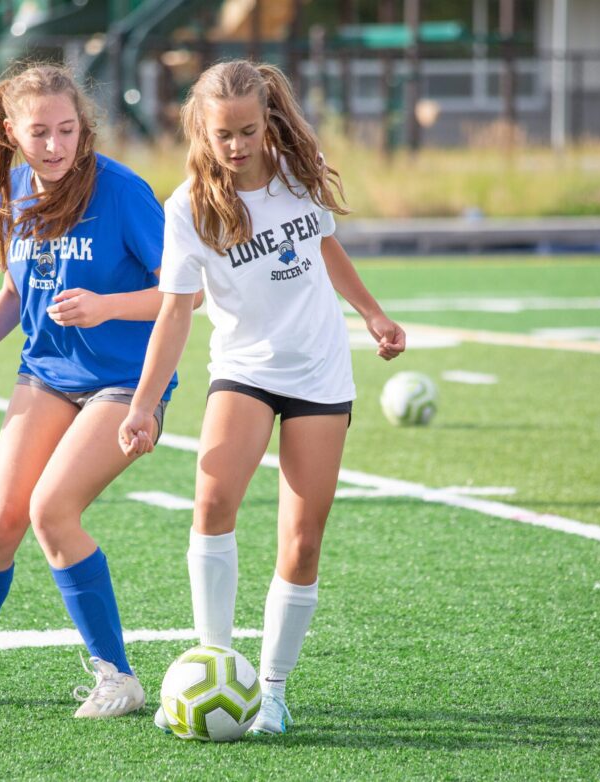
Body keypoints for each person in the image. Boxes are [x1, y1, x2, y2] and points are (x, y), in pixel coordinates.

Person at [118, 60, 406, 736]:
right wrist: (142, 403)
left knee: (302, 542)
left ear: (268, 119)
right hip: (245, 370)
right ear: (201, 130)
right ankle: (212, 665)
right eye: (224, 135)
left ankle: (272, 692)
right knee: (212, 500)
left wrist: (371, 312)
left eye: (249, 130)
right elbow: (176, 314)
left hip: (320, 377)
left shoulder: (298, 173)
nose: (238, 145)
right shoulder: (186, 208)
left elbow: (326, 247)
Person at [0, 63, 190, 717]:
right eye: (40, 132)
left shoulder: (122, 191)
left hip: (125, 384)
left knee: (52, 511)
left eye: (67, 130)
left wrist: (108, 307)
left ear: (83, 129)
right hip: (46, 375)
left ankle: (118, 677)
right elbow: (14, 289)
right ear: (12, 131)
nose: (56, 145)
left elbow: (182, 295)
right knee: (1, 518)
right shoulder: (12, 189)